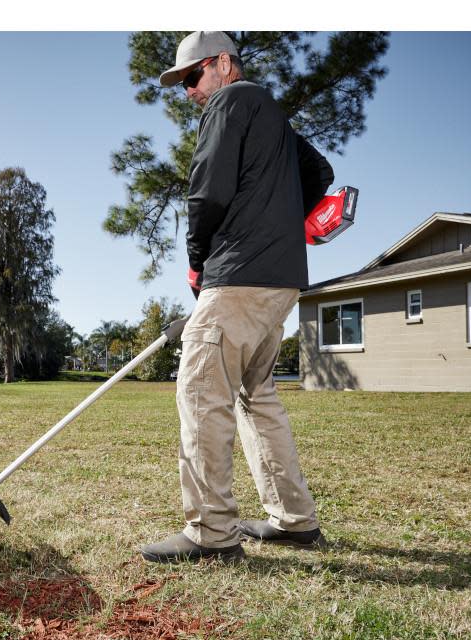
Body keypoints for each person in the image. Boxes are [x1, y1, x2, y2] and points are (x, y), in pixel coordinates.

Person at [140, 31, 332, 564]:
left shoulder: (231, 101)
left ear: (223, 63)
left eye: (193, 76)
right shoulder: (272, 113)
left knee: (202, 394)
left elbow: (208, 189)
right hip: (282, 279)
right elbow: (320, 173)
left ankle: (211, 533)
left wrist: (199, 259)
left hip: (238, 274)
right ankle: (294, 520)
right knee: (257, 396)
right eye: (182, 83)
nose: (189, 91)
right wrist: (275, 221)